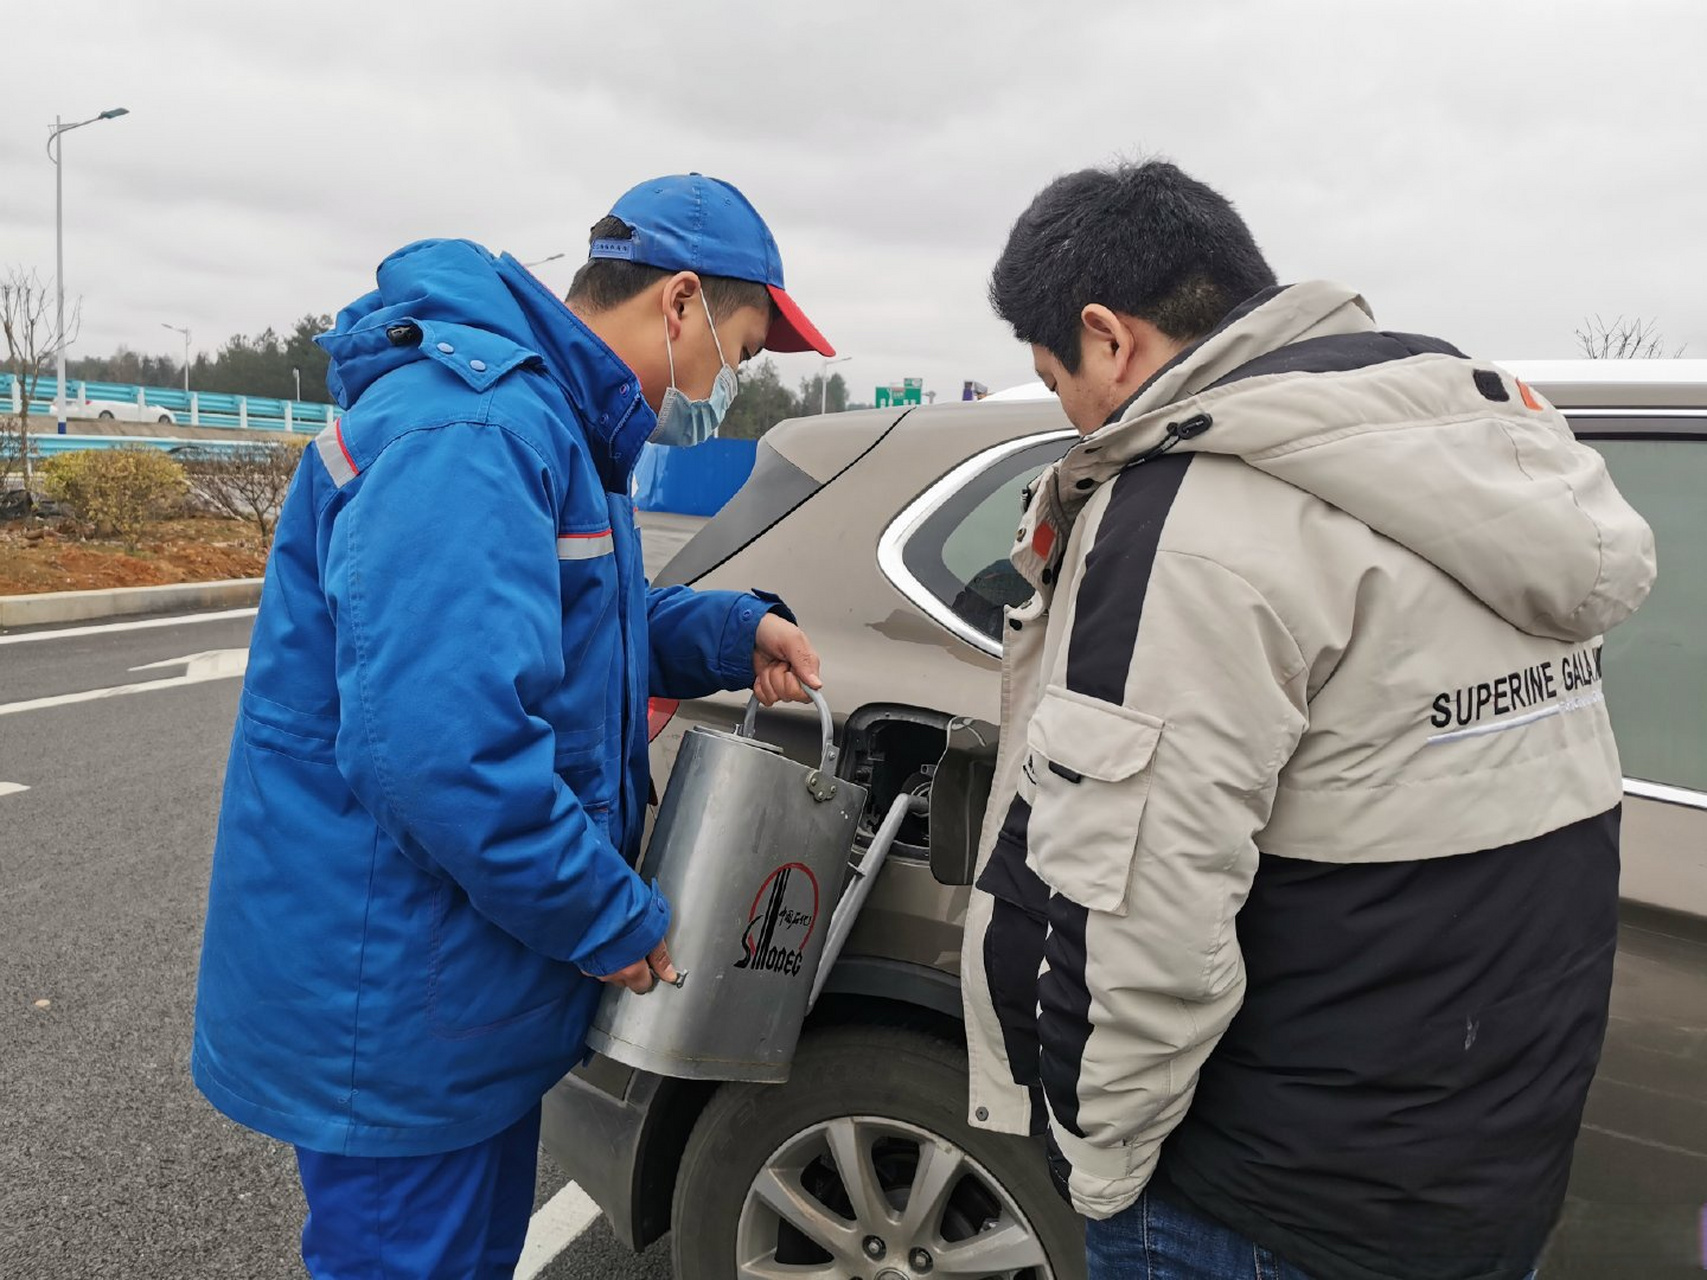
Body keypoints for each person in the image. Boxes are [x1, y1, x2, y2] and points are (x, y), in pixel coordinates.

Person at [961, 160, 1656, 1280]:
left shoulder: (1196, 509)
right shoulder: (1500, 460)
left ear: (1107, 337)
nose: (1071, 414)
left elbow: (1143, 903)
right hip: (1487, 1169)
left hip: (1260, 1205)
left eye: (1056, 380)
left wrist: (1097, 1165)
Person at [191, 173, 834, 1278]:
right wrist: (608, 916)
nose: (734, 380)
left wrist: (730, 633)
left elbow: (573, 629)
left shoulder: (552, 424)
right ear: (679, 302)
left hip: (449, 987)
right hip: (396, 997)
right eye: (740, 348)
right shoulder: (477, 431)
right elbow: (444, 751)